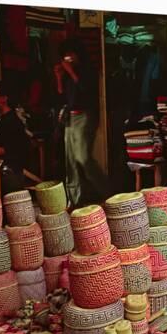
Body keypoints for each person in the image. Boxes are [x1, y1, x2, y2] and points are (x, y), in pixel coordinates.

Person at [54, 38, 109, 207]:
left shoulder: (87, 70)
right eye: (65, 55)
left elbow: (87, 89)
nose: (68, 57)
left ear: (77, 54)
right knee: (70, 160)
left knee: (83, 157)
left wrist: (70, 71)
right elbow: (62, 94)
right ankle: (74, 199)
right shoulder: (70, 72)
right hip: (70, 117)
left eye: (70, 54)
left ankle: (107, 191)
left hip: (85, 116)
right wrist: (58, 77)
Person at [0, 81, 37, 195]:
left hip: (10, 176)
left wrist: (3, 150)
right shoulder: (2, 119)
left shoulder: (12, 121)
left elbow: (23, 147)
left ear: (4, 99)